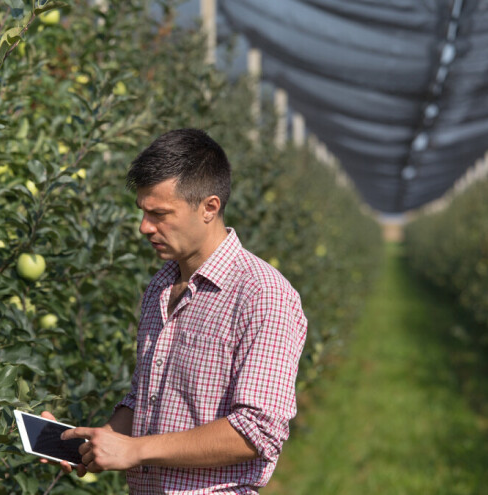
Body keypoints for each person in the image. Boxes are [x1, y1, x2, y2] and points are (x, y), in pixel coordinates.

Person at [41, 128, 308, 494]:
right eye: (143, 212)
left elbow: (258, 431)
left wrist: (135, 450)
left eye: (160, 214)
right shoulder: (160, 287)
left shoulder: (262, 295)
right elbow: (144, 399)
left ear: (209, 208)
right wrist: (97, 444)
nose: (144, 227)